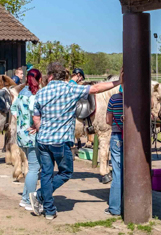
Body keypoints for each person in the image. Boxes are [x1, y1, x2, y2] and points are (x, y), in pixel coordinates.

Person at [29, 62, 122, 220]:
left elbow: (36, 117)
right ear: (63, 76)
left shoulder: (40, 93)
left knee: (46, 174)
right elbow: (96, 89)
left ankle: (49, 210)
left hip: (43, 140)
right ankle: (39, 196)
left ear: (50, 76)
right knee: (65, 173)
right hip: (60, 141)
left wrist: (40, 128)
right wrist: (118, 82)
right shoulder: (70, 89)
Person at [10, 68, 42, 212]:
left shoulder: (22, 93)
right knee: (34, 168)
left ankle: (24, 198)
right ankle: (29, 200)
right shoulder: (38, 94)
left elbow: (13, 110)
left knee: (31, 168)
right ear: (40, 79)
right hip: (33, 135)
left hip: (22, 135)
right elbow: (36, 114)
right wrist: (34, 125)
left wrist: (21, 123)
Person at [105, 86, 123, 216]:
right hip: (133, 140)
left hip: (117, 136)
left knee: (117, 173)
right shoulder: (137, 98)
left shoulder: (114, 98)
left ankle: (115, 208)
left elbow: (108, 120)